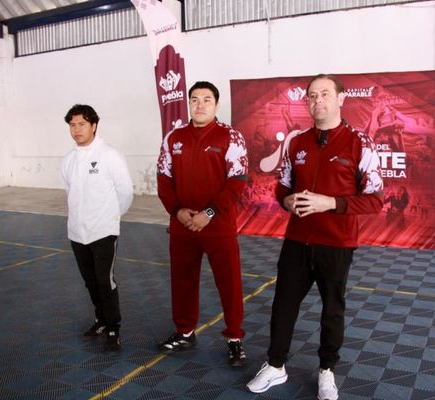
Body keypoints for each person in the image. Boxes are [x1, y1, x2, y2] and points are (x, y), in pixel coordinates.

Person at [247, 74, 384, 400]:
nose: (317, 100)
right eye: (311, 95)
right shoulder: (297, 142)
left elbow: (375, 199)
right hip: (297, 240)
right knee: (283, 304)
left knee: (332, 310)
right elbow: (283, 186)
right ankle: (276, 365)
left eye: (324, 94)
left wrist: (331, 203)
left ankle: (326, 371)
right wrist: (286, 201)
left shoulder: (360, 143)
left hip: (336, 243)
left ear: (341, 99)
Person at [157, 81, 249, 367]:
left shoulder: (231, 137)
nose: (200, 105)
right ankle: (185, 331)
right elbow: (163, 178)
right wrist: (177, 211)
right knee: (182, 280)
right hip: (182, 225)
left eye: (206, 99)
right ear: (189, 103)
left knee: (229, 282)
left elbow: (237, 181)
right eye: (194, 99)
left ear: (216, 104)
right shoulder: (173, 137)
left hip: (218, 226)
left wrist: (208, 212)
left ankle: (234, 338)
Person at [61, 104, 134, 352]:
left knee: (105, 281)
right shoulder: (69, 160)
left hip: (103, 231)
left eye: (82, 124)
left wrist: (111, 218)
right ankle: (101, 320)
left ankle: (113, 327)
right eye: (72, 125)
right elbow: (70, 192)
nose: (76, 129)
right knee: (90, 282)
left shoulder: (110, 155)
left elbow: (125, 192)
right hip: (76, 233)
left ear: (93, 125)